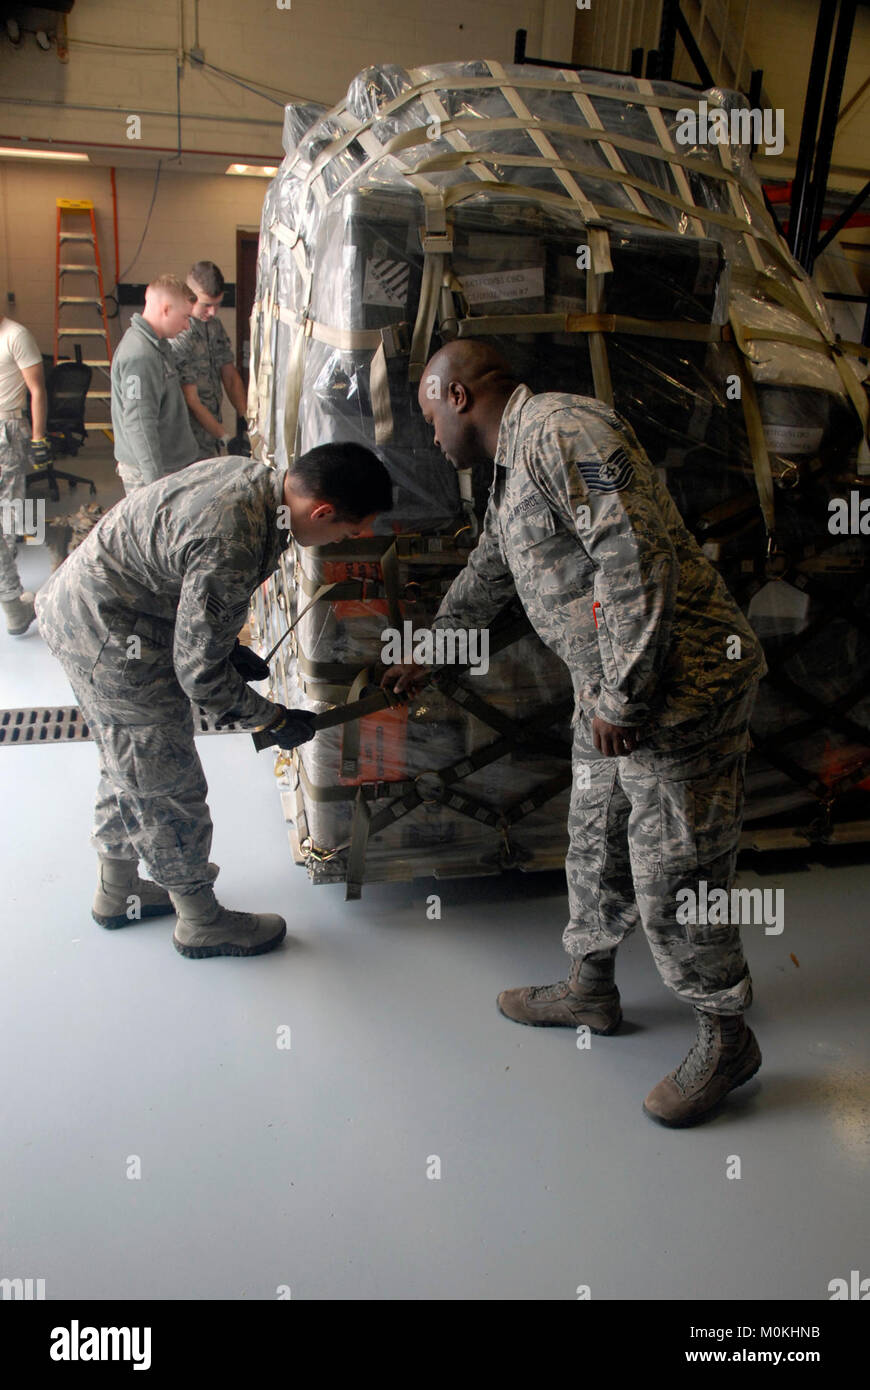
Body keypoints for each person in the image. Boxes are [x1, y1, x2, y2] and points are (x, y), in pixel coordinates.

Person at [382, 340, 768, 1127]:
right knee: (594, 839)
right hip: (612, 695)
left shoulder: (564, 431)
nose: (429, 438)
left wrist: (625, 699)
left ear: (457, 395)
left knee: (677, 871)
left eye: (427, 415)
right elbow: (495, 564)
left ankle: (725, 1036)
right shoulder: (514, 463)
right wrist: (435, 648)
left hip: (676, 691)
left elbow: (637, 556)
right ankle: (589, 989)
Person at [36, 443, 393, 959]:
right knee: (163, 777)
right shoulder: (236, 537)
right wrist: (270, 717)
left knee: (128, 761)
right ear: (322, 512)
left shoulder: (254, 483)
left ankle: (117, 891)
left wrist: (230, 648)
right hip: (110, 637)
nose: (346, 542)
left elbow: (189, 592)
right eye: (346, 532)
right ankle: (199, 920)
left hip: (106, 612)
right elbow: (199, 677)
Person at [110, 275, 200, 493]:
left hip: (167, 467)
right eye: (185, 317)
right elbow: (139, 423)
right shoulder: (140, 355)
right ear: (166, 309)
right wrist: (155, 486)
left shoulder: (157, 346)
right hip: (153, 473)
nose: (187, 326)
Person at [0, 312, 52, 635]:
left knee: (7, 516)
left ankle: (11, 600)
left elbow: (37, 389)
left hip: (7, 430)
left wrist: (38, 436)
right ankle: (11, 598)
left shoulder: (15, 336)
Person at [168, 260, 250, 460]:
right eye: (206, 305)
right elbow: (191, 400)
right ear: (189, 296)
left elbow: (229, 375)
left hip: (211, 434)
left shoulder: (214, 326)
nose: (212, 312)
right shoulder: (179, 332)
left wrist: (244, 417)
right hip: (186, 438)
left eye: (218, 304)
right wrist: (226, 437)